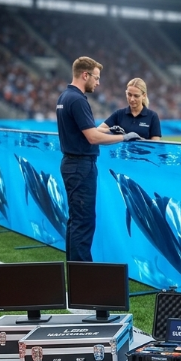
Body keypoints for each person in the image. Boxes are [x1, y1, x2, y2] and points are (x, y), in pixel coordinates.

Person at [56, 57, 141, 262]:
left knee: (76, 221)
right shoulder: (77, 99)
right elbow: (92, 137)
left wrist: (109, 129)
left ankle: (76, 273)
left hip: (71, 163)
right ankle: (83, 277)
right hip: (80, 166)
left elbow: (85, 131)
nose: (98, 82)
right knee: (83, 222)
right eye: (96, 77)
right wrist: (123, 137)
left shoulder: (64, 96)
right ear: (85, 75)